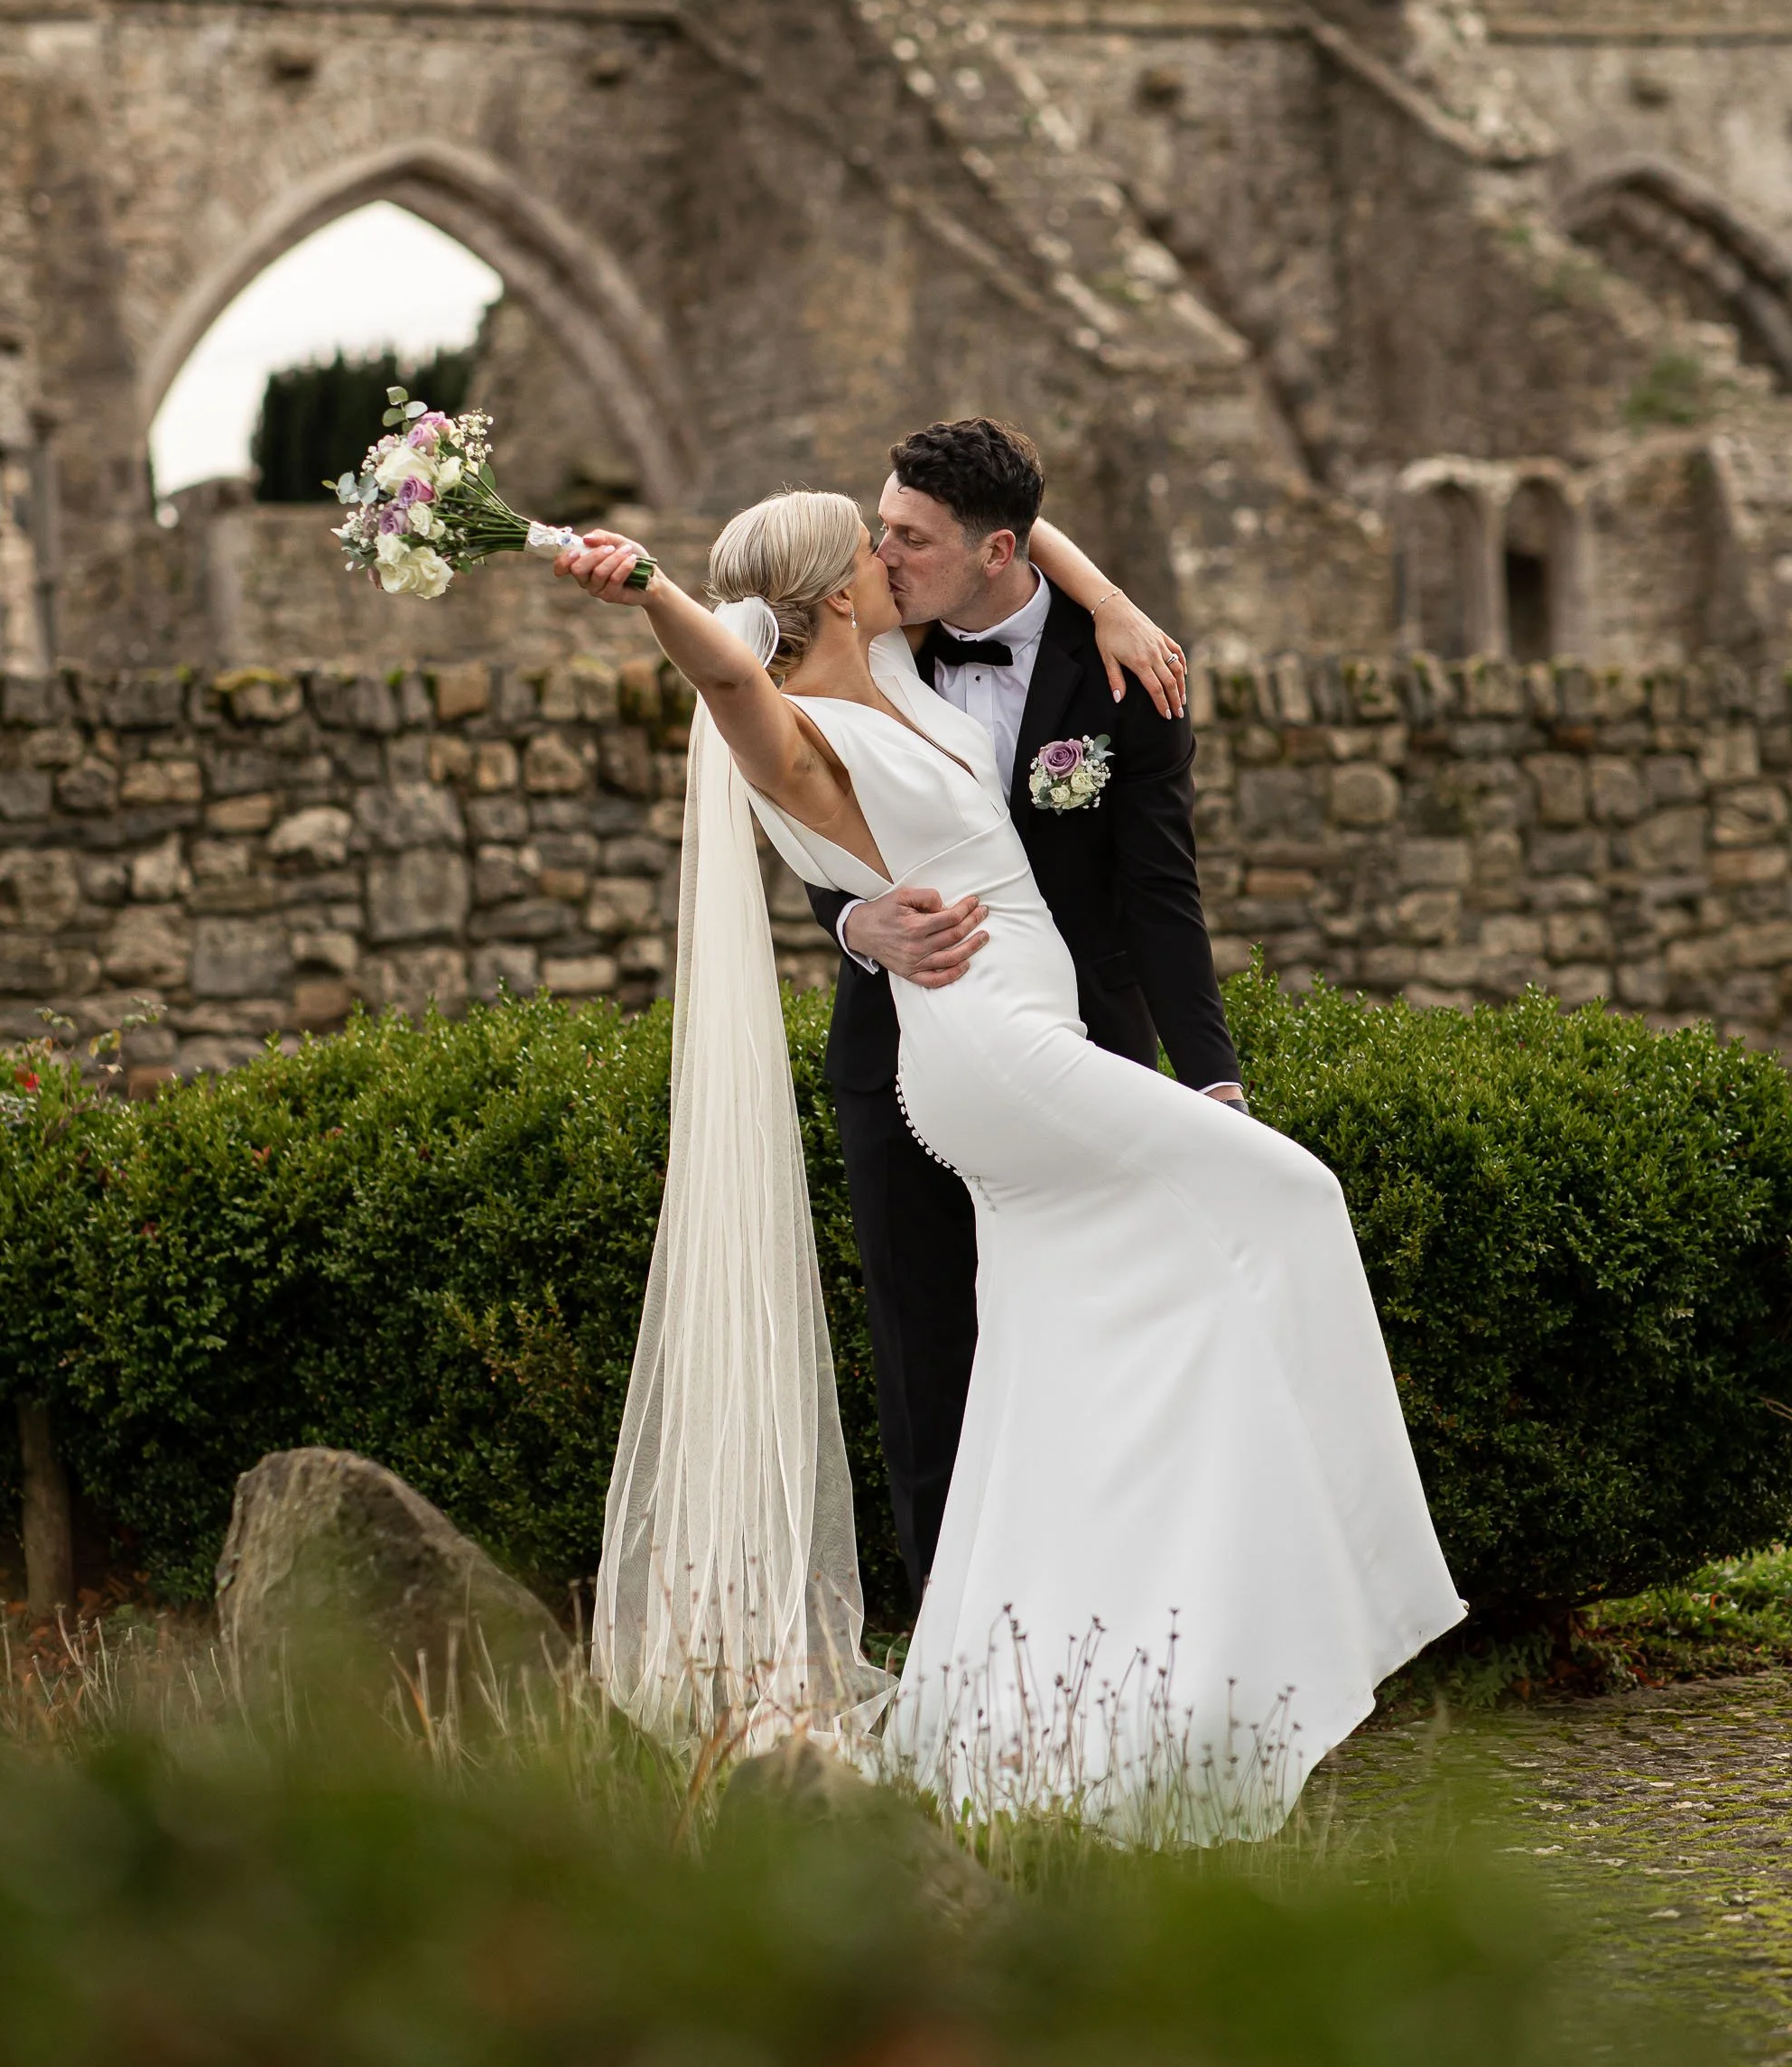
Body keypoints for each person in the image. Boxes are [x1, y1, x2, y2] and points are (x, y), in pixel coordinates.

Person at [560, 494, 1464, 1839]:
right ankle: (1354, 1593)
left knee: (1056, 1366)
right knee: (1290, 1197)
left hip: (1029, 1036)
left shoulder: (902, 671)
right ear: (844, 585)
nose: (895, 551)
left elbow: (1006, 528)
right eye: (874, 544)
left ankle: (1050, 1702)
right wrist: (645, 588)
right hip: (990, 1054)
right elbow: (726, 672)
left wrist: (1106, 597)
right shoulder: (793, 729)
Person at [803, 419, 1244, 1607]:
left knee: (1085, 1347)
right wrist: (854, 923)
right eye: (879, 530)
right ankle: (957, 1652)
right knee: (924, 1359)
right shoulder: (864, 646)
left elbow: (1162, 894)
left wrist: (1209, 1079)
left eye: (910, 540)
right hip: (900, 1053)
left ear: (998, 552)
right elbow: (801, 799)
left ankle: (1105, 1622)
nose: (880, 559)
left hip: (1069, 1055)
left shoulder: (1124, 673)